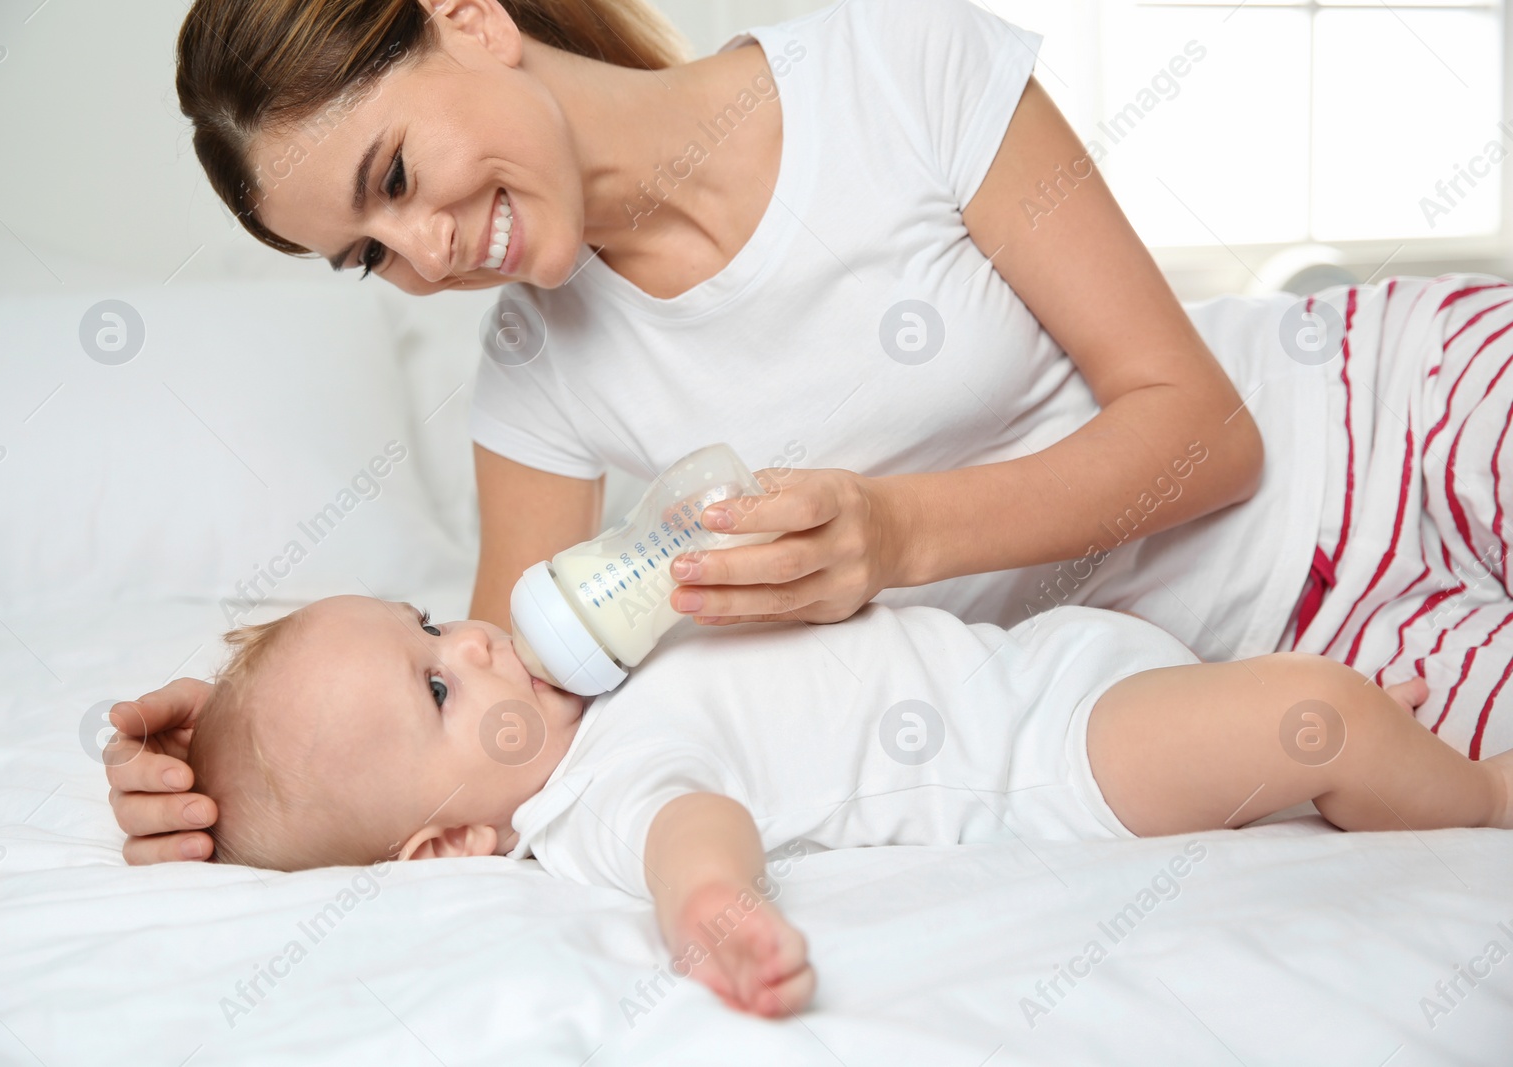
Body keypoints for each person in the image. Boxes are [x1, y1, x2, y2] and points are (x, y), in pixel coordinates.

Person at [107, 0, 1513, 863]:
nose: (422, 252)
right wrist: (220, 774)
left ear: (470, 15)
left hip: (1385, 404)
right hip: (1333, 655)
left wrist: (897, 535)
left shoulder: (896, 72)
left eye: (395, 174)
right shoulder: (537, 379)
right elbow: (505, 729)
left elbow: (1210, 434)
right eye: (368, 252)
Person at [170, 595, 1512, 1018]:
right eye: (436, 687)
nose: (470, 638)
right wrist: (712, 907)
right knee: (1315, 712)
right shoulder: (593, 792)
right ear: (458, 842)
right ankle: (1471, 798)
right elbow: (691, 827)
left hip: (1038, 663)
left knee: (1300, 706)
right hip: (1046, 755)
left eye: (428, 620)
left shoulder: (587, 680)